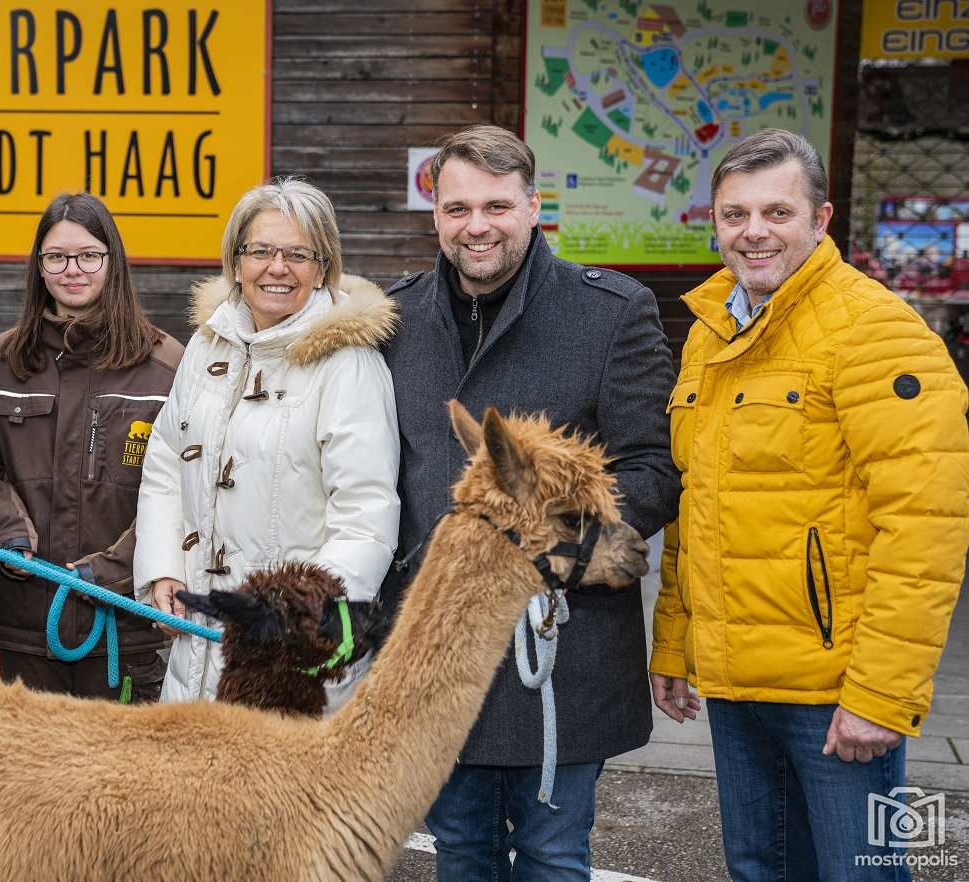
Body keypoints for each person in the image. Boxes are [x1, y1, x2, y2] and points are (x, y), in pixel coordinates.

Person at [650, 129, 969, 880]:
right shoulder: (712, 334)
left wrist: (882, 697)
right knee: (760, 870)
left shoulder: (877, 332)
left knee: (859, 874)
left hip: (835, 697)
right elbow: (694, 507)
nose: (753, 232)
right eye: (734, 215)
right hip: (734, 685)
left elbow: (925, 531)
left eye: (776, 212)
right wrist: (674, 644)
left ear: (820, 220)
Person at [382, 125, 680, 880]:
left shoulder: (611, 311)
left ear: (534, 206)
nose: (475, 225)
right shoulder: (395, 320)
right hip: (441, 648)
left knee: (552, 855)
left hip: (562, 643)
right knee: (463, 854)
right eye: (456, 208)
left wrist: (565, 551)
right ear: (436, 215)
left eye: (495, 205)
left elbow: (654, 467)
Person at [134, 177, 400, 712]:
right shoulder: (208, 346)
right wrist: (163, 567)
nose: (277, 268)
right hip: (197, 642)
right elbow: (165, 460)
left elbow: (365, 514)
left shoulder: (349, 365)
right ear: (236, 261)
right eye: (261, 251)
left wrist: (302, 624)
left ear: (323, 267)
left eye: (298, 254)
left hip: (293, 658)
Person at [0, 193, 183, 701]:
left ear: (113, 261)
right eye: (57, 257)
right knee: (29, 777)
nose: (73, 270)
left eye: (89, 255)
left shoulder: (166, 365)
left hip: (125, 625)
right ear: (38, 267)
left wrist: (111, 570)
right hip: (24, 620)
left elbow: (183, 484)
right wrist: (8, 534)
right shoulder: (0, 363)